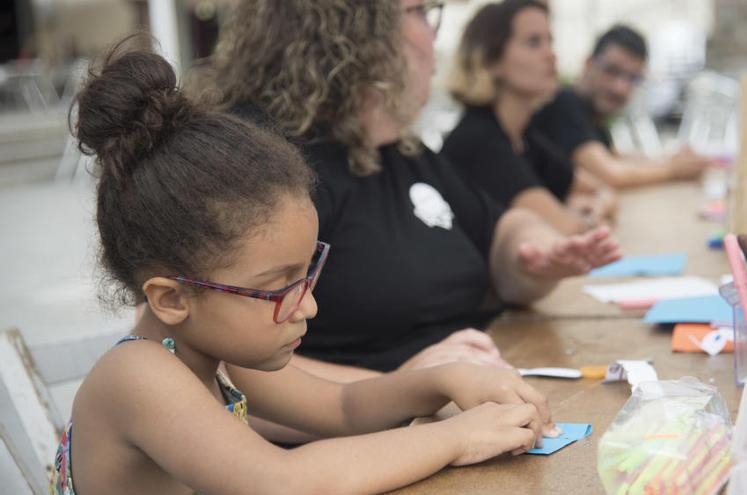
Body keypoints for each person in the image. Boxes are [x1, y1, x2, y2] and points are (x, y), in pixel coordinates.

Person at [50, 42, 560, 495]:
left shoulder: (215, 352)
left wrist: (445, 379)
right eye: (278, 288)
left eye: (307, 273)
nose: (308, 304)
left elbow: (344, 409)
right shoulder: (138, 376)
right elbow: (283, 481)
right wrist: (453, 437)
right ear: (172, 298)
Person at [203, 0, 622, 383]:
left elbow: (500, 231)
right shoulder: (258, 163)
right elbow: (215, 367)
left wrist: (534, 253)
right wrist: (405, 387)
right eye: (421, 12)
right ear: (357, 29)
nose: (435, 35)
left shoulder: (398, 150)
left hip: (461, 402)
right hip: (364, 443)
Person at [443, 0, 616, 236]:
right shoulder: (479, 140)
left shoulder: (522, 136)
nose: (551, 54)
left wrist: (589, 208)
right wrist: (581, 214)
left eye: (550, 41)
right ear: (491, 60)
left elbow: (600, 190)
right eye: (534, 43)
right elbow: (566, 230)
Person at [530, 24, 711, 189]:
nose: (620, 88)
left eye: (632, 78)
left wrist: (670, 160)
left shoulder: (590, 116)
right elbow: (611, 175)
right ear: (587, 64)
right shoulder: (563, 105)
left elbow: (616, 158)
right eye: (612, 71)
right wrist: (673, 170)